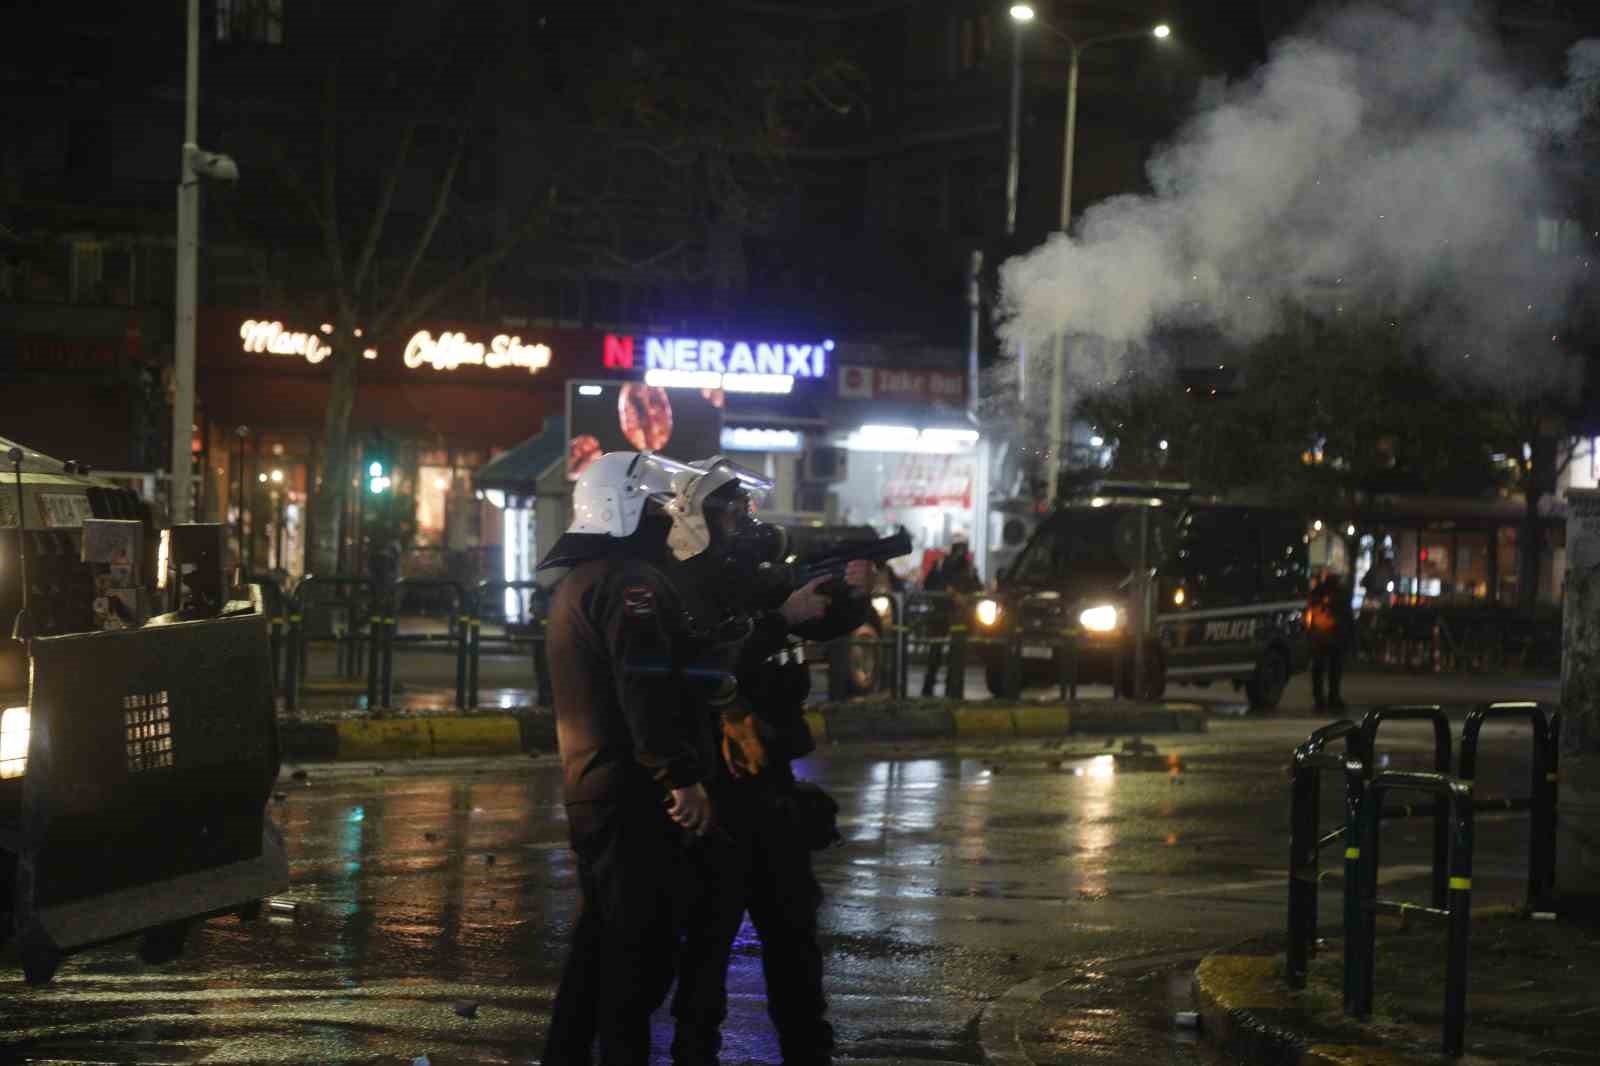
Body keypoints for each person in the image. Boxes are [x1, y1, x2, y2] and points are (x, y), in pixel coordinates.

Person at [668, 465, 871, 1066]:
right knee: (708, 946)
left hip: (774, 788)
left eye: (746, 512)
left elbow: (819, 613)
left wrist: (852, 594)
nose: (745, 524)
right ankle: (693, 1050)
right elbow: (710, 656)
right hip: (722, 790)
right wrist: (783, 618)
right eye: (733, 514)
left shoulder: (752, 577)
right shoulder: (689, 584)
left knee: (794, 944)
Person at [537, 450, 735, 1066]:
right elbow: (645, 685)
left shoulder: (586, 579)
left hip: (598, 788)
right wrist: (680, 777)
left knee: (602, 948)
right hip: (630, 797)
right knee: (636, 962)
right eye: (654, 505)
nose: (666, 516)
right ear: (622, 508)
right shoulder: (630, 582)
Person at [920, 537, 983, 697]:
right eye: (959, 548)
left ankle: (952, 689)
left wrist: (964, 597)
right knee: (936, 652)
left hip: (958, 617)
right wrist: (949, 592)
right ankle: (930, 688)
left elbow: (977, 589)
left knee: (955, 654)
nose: (960, 553)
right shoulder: (942, 565)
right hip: (942, 614)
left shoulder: (968, 568)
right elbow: (928, 585)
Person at [1306, 568, 1355, 711]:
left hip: (1321, 636)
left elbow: (1310, 613)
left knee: (1321, 669)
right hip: (1333, 636)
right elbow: (1348, 618)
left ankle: (1321, 698)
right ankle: (1331, 698)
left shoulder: (1317, 592)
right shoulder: (1341, 593)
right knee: (1333, 669)